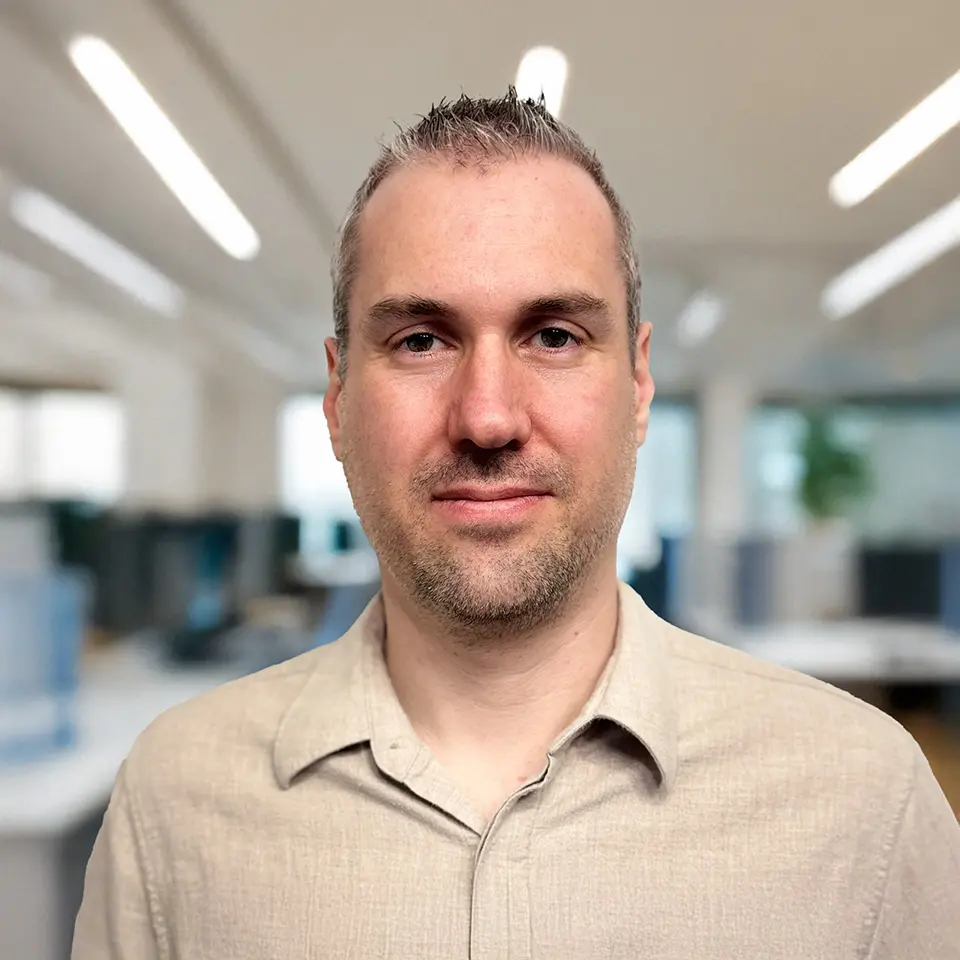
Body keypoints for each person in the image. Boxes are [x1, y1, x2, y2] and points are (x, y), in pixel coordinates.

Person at [73, 90, 960, 959]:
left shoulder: (864, 809)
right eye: (422, 339)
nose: (488, 417)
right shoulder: (172, 808)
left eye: (555, 336)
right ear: (338, 397)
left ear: (640, 384)